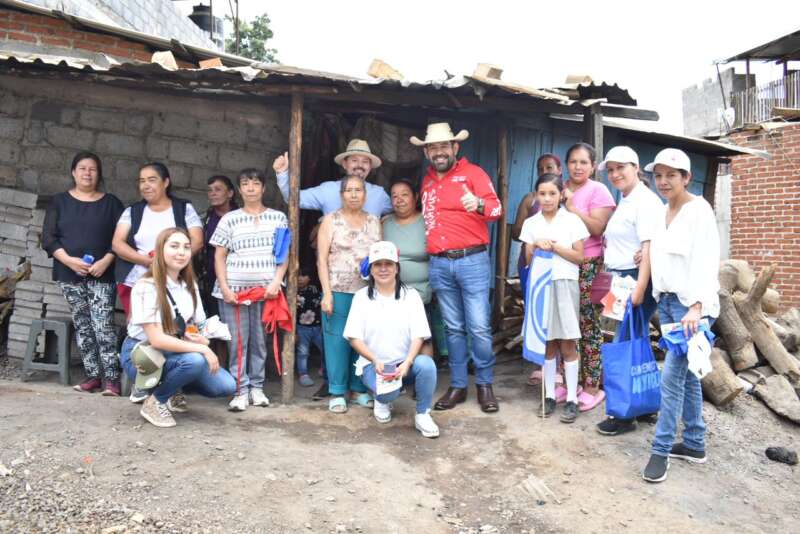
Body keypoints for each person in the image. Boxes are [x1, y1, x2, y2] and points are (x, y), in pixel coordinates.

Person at [412, 122, 503, 413]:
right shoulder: (427, 180)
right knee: (452, 328)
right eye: (433, 148)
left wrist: (478, 204)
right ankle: (458, 385)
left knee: (478, 327)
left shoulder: (474, 173)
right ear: (426, 152)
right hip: (440, 263)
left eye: (444, 146)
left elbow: (497, 209)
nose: (439, 152)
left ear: (455, 147)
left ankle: (485, 385)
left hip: (472, 261)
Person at [642, 149, 720, 483]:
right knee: (688, 377)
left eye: (671, 175)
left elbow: (708, 260)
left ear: (686, 178)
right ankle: (694, 443)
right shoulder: (661, 213)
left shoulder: (699, 210)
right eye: (658, 175)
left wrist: (697, 307)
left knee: (671, 379)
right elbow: (664, 254)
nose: (663, 181)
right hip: (669, 304)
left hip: (692, 308)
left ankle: (659, 451)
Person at [119, 227, 236, 428]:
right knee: (195, 360)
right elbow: (156, 340)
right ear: (160, 250)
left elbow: (192, 325)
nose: (181, 252)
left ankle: (173, 387)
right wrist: (203, 349)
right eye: (174, 246)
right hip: (143, 353)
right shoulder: (146, 286)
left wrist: (200, 338)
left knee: (226, 386)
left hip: (175, 350)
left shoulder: (189, 285)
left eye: (186, 247)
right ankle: (156, 401)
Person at [42, 151, 124, 395]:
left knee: (103, 325)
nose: (87, 173)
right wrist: (69, 261)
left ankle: (112, 379)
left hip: (102, 274)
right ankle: (93, 376)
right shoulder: (59, 201)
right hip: (69, 274)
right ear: (73, 172)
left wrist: (106, 260)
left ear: (99, 174)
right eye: (82, 168)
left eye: (92, 169)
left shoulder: (111, 203)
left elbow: (122, 238)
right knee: (83, 325)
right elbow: (48, 238)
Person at [595, 146, 664, 433]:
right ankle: (645, 405)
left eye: (620, 167)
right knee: (634, 340)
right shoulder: (626, 199)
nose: (614, 174)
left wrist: (639, 289)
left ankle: (623, 415)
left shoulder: (644, 201)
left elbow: (648, 247)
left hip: (634, 279)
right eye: (610, 170)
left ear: (636, 167)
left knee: (622, 342)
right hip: (622, 278)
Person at [211, 169, 289, 412]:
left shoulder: (278, 218)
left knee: (259, 341)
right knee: (237, 342)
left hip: (266, 291)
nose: (251, 188)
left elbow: (283, 253)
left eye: (256, 183)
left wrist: (277, 281)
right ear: (239, 190)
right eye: (245, 184)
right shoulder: (229, 219)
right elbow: (219, 256)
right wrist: (225, 287)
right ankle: (240, 390)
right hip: (234, 292)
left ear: (264, 188)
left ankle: (257, 387)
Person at [343, 241, 439, 438]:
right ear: (371, 270)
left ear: (397, 268)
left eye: (389, 264)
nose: (383, 269)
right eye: (378, 264)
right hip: (376, 365)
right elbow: (354, 337)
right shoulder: (361, 298)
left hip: (404, 363)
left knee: (426, 365)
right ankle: (382, 400)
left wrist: (408, 361)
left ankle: (423, 414)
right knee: (388, 393)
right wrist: (375, 360)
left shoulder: (411, 296)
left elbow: (419, 335)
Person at [520, 174, 589, 422]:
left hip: (565, 283)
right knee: (547, 343)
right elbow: (527, 259)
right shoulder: (531, 223)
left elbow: (580, 257)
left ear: (561, 195)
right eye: (542, 193)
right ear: (536, 195)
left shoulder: (571, 220)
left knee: (567, 342)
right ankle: (549, 395)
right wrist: (534, 245)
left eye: (552, 193)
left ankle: (571, 398)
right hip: (540, 286)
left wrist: (556, 247)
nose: (547, 198)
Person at [317, 174, 381, 413]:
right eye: (349, 190)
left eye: (358, 190)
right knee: (337, 341)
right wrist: (326, 293)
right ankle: (337, 391)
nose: (354, 194)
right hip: (338, 290)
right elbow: (321, 259)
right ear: (341, 194)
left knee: (362, 341)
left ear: (365, 194)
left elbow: (379, 258)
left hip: (367, 293)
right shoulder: (331, 220)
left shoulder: (374, 221)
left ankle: (358, 389)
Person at [562, 143, 616, 409]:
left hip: (589, 263)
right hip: (563, 261)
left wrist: (572, 209)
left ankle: (593, 386)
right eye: (573, 161)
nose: (578, 167)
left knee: (587, 323)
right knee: (563, 324)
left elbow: (597, 228)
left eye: (584, 162)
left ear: (593, 166)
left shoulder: (598, 191)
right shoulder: (560, 188)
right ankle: (568, 382)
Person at [112, 162, 203, 316]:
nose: (146, 185)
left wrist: (168, 262)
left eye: (152, 180)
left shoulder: (183, 209)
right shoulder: (132, 211)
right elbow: (117, 243)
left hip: (175, 279)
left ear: (166, 182)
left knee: (172, 324)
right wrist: (147, 261)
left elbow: (197, 241)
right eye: (142, 181)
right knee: (140, 326)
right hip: (136, 281)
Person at [511, 153, 563, 387]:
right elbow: (516, 232)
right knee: (535, 312)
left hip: (557, 263)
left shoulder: (563, 198)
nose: (544, 171)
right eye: (540, 168)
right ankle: (539, 363)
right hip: (531, 262)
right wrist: (534, 231)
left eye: (549, 167)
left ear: (559, 170)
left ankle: (557, 364)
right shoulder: (530, 199)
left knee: (556, 313)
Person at [382, 178, 437, 357]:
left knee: (422, 338)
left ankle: (424, 371)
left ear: (415, 197)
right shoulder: (384, 224)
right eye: (394, 196)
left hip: (420, 293)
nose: (399, 200)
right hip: (390, 293)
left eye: (404, 195)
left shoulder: (427, 221)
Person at [272, 139, 392, 216]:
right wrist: (282, 173)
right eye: (354, 160)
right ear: (344, 164)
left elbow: (398, 211)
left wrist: (385, 221)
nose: (359, 165)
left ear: (370, 167)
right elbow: (292, 198)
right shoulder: (327, 190)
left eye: (365, 161)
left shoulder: (379, 194)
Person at [200, 175, 237, 317]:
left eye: (218, 189)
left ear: (230, 193)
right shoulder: (205, 219)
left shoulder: (242, 217)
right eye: (210, 190)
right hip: (210, 278)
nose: (213, 193)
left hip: (236, 278)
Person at [296, 266, 323, 387]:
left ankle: (324, 369)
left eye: (303, 275)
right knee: (303, 352)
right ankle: (303, 374)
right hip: (302, 328)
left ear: (309, 278)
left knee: (324, 349)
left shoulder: (314, 289)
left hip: (317, 327)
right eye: (297, 275)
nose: (300, 278)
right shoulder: (292, 292)